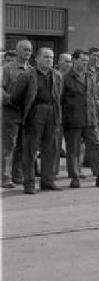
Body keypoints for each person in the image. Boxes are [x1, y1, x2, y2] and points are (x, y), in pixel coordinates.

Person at [10, 47, 63, 194]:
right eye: (46, 57)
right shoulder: (27, 75)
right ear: (37, 59)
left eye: (51, 58)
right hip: (35, 113)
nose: (49, 60)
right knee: (30, 151)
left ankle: (47, 181)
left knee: (50, 149)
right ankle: (29, 183)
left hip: (52, 112)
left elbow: (59, 96)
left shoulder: (57, 76)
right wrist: (28, 110)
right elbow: (15, 97)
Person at [62, 49, 99, 188]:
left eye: (86, 61)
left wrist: (96, 115)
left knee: (96, 147)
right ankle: (74, 177)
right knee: (73, 150)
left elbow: (93, 97)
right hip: (73, 120)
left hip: (90, 119)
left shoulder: (90, 76)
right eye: (82, 60)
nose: (85, 63)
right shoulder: (65, 78)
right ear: (74, 60)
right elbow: (60, 100)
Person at [1, 39, 33, 188]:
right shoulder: (7, 69)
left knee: (22, 145)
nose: (28, 53)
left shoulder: (32, 70)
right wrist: (10, 100)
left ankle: (17, 175)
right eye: (25, 50)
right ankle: (4, 177)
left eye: (30, 50)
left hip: (26, 114)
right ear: (17, 50)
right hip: (10, 113)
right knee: (9, 146)